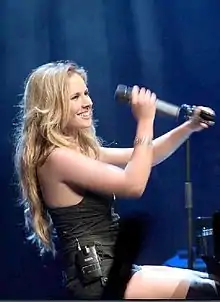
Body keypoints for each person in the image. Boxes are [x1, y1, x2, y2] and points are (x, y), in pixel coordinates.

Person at [14, 60, 219, 299]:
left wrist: (189, 127)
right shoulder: (56, 158)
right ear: (52, 105)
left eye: (86, 93)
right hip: (99, 279)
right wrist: (144, 121)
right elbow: (132, 184)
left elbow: (145, 156)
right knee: (207, 292)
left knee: (207, 280)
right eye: (75, 97)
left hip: (114, 269)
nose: (88, 102)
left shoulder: (75, 153)